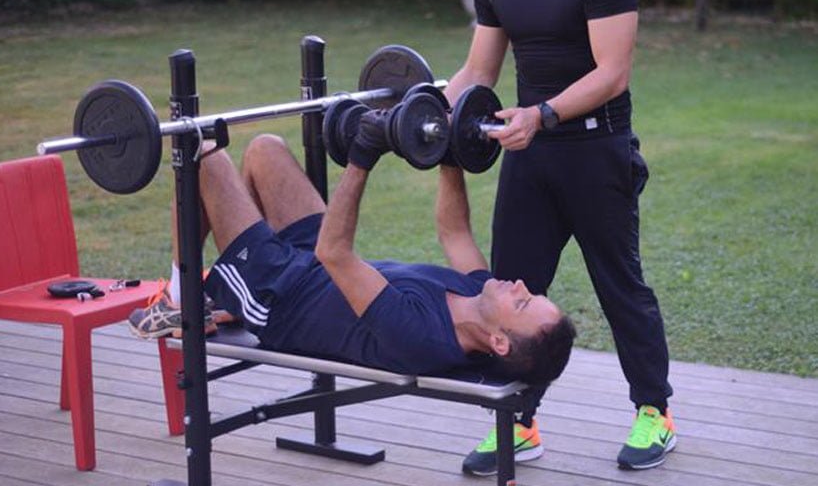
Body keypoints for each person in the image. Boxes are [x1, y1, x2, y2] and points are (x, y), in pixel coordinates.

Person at [441, 0, 675, 476]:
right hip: (530, 157)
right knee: (511, 292)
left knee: (619, 284)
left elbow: (613, 73)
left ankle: (655, 411)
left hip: (596, 153)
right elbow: (478, 73)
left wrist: (540, 115)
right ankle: (516, 424)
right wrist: (426, 104)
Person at [129, 113, 576, 387]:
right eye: (531, 292)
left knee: (205, 155)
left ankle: (181, 298)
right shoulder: (479, 292)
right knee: (266, 150)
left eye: (522, 301)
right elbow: (455, 232)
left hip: (280, 299)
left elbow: (336, 254)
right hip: (312, 267)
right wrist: (450, 153)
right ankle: (221, 290)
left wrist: (361, 158)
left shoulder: (420, 337)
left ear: (498, 341)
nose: (518, 284)